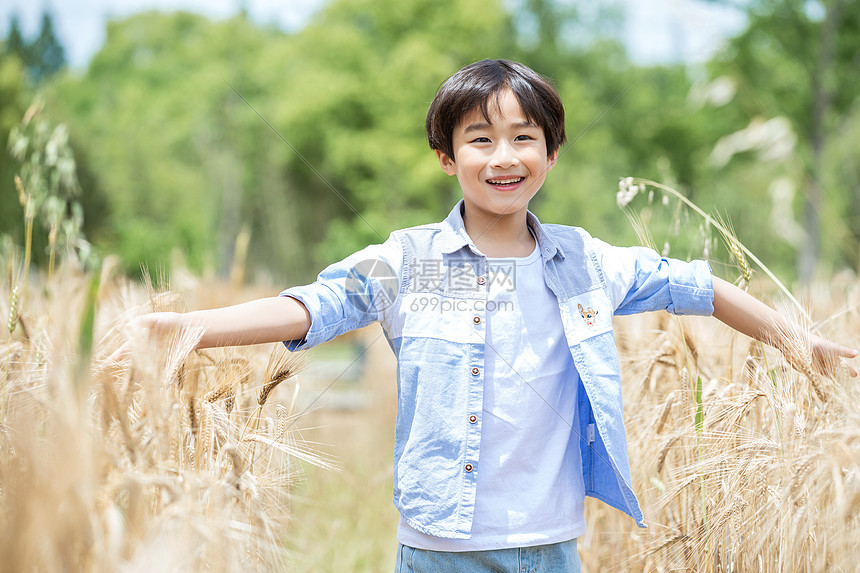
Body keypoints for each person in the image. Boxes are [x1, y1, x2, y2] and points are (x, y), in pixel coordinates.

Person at [118, 59, 857, 572]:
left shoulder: (583, 263)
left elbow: (697, 286)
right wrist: (193, 327)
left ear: (551, 153)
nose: (504, 156)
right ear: (447, 156)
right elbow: (310, 304)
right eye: (480, 138)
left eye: (523, 138)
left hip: (548, 544)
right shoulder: (410, 261)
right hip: (438, 547)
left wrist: (800, 343)